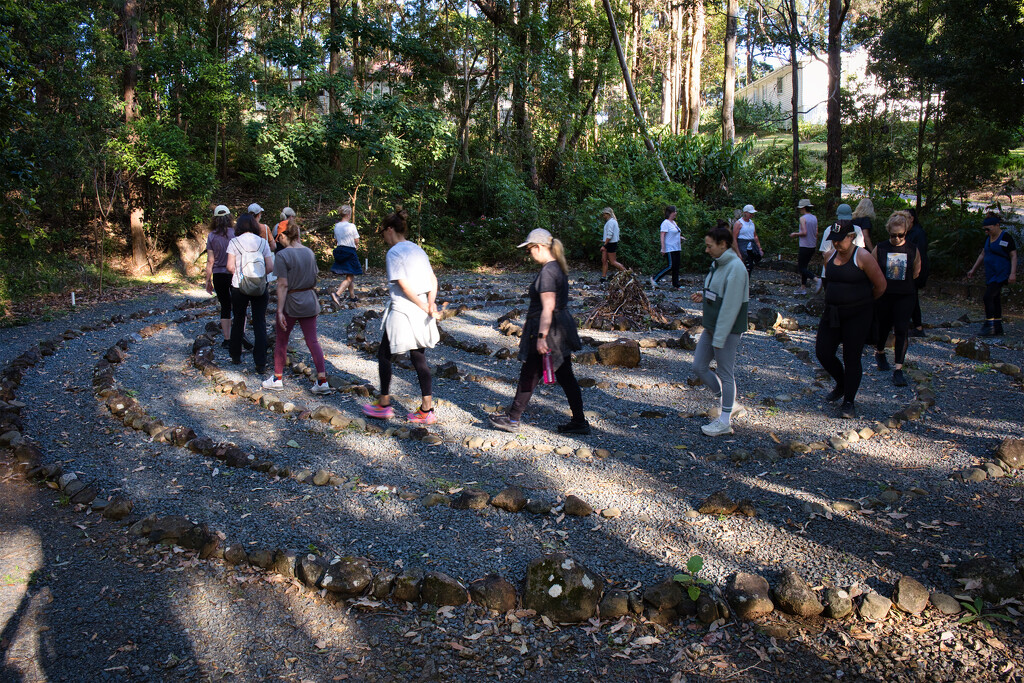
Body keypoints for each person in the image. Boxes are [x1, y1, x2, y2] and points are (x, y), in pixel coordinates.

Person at [490, 229, 589, 435]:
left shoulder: (547, 272)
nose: (529, 254)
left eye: (529, 249)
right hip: (559, 326)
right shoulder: (557, 268)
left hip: (549, 329)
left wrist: (542, 336)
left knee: (531, 372)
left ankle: (513, 418)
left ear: (538, 247)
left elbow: (548, 306)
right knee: (565, 375)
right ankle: (579, 421)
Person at [362, 209, 440, 425]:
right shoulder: (418, 250)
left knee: (385, 354)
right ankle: (427, 409)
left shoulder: (394, 253)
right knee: (419, 358)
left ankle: (384, 405)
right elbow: (433, 279)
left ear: (389, 230)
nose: (384, 239)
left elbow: (403, 286)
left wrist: (425, 305)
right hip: (422, 307)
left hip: (403, 310)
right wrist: (430, 304)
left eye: (383, 234)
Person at [815, 222, 887, 418]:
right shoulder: (829, 256)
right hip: (832, 313)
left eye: (840, 240)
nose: (836, 244)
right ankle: (842, 383)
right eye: (833, 240)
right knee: (823, 351)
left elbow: (880, 285)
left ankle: (849, 401)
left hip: (857, 314)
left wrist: (862, 301)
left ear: (851, 237)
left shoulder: (862, 256)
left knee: (851, 356)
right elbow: (828, 283)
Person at [691, 224, 750, 436]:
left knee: (726, 372)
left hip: (726, 330)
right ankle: (727, 400)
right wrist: (703, 294)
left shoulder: (736, 268)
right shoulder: (718, 263)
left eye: (709, 246)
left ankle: (724, 421)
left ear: (723, 244)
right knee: (699, 366)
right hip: (711, 327)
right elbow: (718, 291)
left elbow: (731, 306)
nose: (706, 250)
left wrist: (720, 336)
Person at [261, 218, 331, 394]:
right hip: (309, 299)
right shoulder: (309, 252)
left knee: (282, 340)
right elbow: (315, 277)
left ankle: (277, 378)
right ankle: (322, 381)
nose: (279, 241)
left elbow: (283, 284)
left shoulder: (283, 255)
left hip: (291, 302)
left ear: (284, 235)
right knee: (312, 340)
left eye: (279, 238)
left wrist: (279, 310)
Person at [872, 211, 920, 387]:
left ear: (906, 232)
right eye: (893, 235)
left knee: (901, 330)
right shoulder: (881, 247)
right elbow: (871, 267)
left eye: (901, 235)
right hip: (885, 294)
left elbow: (916, 272)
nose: (897, 239)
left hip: (905, 295)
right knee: (883, 327)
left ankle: (898, 368)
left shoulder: (913, 249)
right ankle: (880, 351)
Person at [226, 212, 274, 373]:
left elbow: (229, 267)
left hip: (239, 287)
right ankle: (260, 362)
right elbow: (270, 266)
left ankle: (235, 355)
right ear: (254, 225)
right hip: (260, 286)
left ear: (238, 226)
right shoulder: (262, 242)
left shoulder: (234, 242)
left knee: (239, 320)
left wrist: (240, 276)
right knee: (260, 322)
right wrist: (259, 278)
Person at [967, 215, 1017, 336]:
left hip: (1001, 273)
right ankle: (998, 326)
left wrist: (1012, 273)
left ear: (997, 225)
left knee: (988, 296)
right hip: (991, 273)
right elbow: (983, 254)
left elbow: (1013, 255)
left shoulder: (1006, 237)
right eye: (985, 229)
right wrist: (973, 269)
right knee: (995, 298)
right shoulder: (988, 238)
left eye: (988, 229)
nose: (986, 232)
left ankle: (989, 324)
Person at [204, 205, 235, 348]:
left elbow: (210, 260)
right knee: (238, 305)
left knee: (225, 305)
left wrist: (207, 280)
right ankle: (239, 335)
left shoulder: (211, 236)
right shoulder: (235, 233)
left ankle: (227, 339)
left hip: (218, 274)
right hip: (234, 273)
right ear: (229, 217)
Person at [330, 204, 362, 305]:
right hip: (349, 251)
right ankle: (337, 294)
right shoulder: (351, 226)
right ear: (348, 214)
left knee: (350, 274)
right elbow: (356, 240)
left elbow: (336, 239)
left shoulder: (336, 226)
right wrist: (357, 245)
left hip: (340, 250)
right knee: (350, 277)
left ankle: (352, 296)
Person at [790, 199, 820, 295]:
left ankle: (816, 280)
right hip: (812, 245)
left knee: (801, 268)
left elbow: (804, 232)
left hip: (804, 245)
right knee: (805, 266)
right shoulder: (814, 218)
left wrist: (795, 234)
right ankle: (803, 288)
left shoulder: (803, 218)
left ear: (803, 208)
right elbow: (816, 232)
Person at [906, 208, 929, 336]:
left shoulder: (918, 233)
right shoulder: (908, 232)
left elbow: (919, 253)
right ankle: (914, 324)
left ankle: (918, 326)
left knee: (913, 297)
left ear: (912, 218)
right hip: (909, 268)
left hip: (917, 269)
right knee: (911, 297)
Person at [651, 205, 683, 289]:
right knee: (671, 266)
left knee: (676, 266)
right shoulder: (665, 223)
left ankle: (676, 284)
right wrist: (663, 248)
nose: (676, 213)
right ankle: (655, 279)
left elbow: (674, 234)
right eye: (674, 211)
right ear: (670, 213)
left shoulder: (674, 223)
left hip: (677, 247)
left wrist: (681, 237)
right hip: (670, 248)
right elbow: (662, 235)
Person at [732, 204, 763, 272]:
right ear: (745, 213)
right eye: (750, 213)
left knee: (750, 267)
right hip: (742, 247)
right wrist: (738, 252)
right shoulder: (739, 223)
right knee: (742, 267)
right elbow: (734, 238)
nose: (752, 215)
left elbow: (755, 236)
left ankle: (747, 281)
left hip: (751, 248)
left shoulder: (752, 223)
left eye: (752, 213)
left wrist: (759, 248)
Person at [599, 207, 626, 282]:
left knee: (612, 261)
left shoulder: (611, 222)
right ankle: (603, 277)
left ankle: (627, 272)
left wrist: (604, 245)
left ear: (608, 214)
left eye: (604, 214)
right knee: (604, 260)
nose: (603, 216)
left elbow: (610, 235)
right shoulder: (611, 221)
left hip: (610, 243)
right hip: (608, 242)